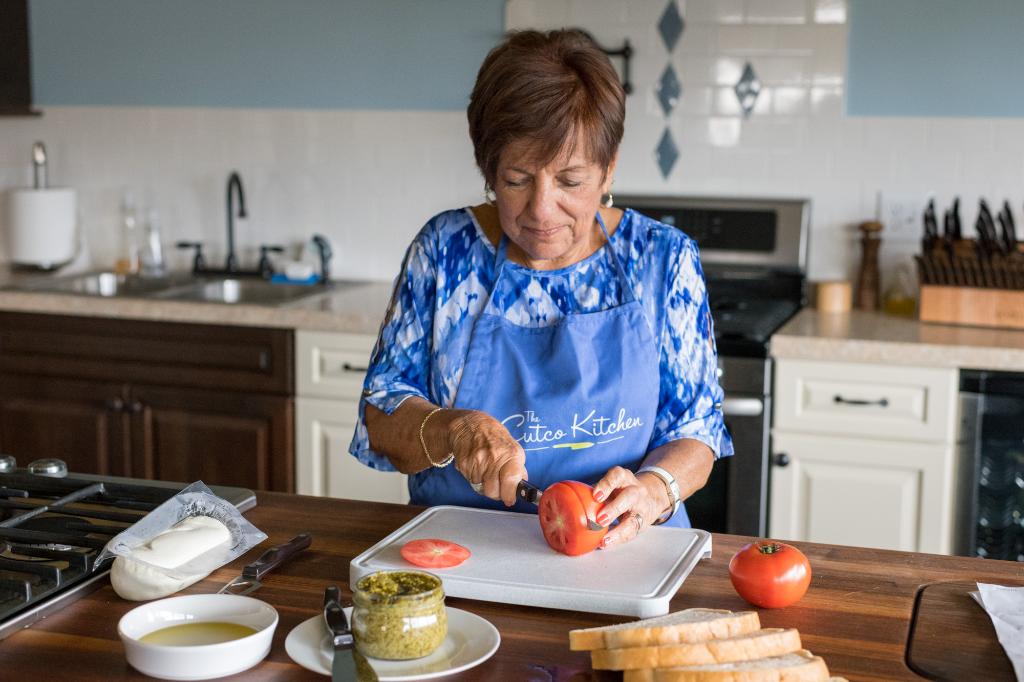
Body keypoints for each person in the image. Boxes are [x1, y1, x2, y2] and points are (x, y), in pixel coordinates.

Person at [349, 29, 732, 548]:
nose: (541, 210)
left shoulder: (663, 260)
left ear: (608, 168)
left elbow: (697, 430)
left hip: (623, 552)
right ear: (488, 169)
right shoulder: (446, 251)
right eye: (517, 179)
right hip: (460, 553)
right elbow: (381, 414)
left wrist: (654, 490)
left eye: (570, 181)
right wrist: (453, 428)